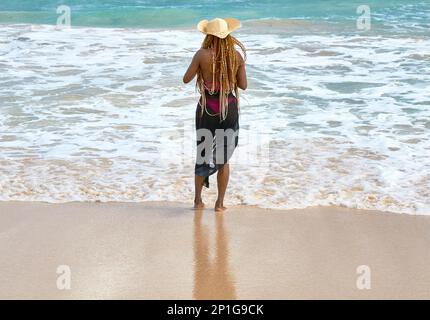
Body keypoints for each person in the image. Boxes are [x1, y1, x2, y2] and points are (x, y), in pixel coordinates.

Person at [183, 18, 247, 212]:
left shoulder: (201, 55)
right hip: (229, 109)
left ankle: (197, 201)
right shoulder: (236, 56)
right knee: (223, 158)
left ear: (208, 35)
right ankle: (219, 204)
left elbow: (186, 79)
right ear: (228, 34)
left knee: (203, 154)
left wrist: (203, 69)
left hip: (206, 110)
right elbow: (243, 85)